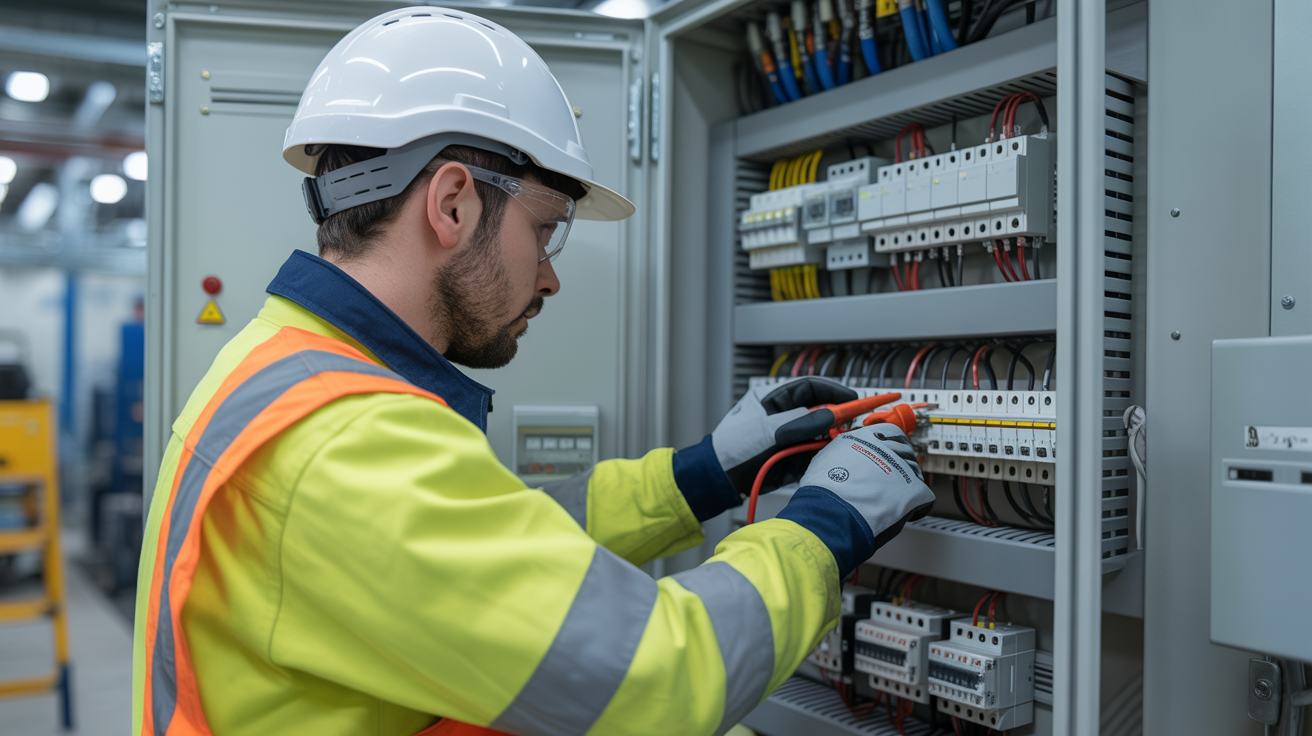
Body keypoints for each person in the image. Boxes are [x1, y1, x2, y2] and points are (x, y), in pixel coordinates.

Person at [132, 7, 934, 736]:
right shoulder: (344, 444)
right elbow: (663, 675)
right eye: (546, 231)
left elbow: (498, 549)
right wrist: (825, 525)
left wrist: (705, 474)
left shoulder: (284, 367)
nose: (549, 277)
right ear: (452, 204)